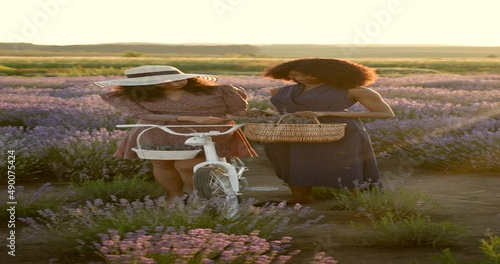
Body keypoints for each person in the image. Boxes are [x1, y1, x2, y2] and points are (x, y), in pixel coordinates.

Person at [95, 65, 257, 202]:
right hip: (159, 131)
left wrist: (254, 114)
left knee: (186, 165)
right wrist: (189, 118)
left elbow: (238, 111)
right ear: (149, 86)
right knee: (162, 164)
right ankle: (175, 195)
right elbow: (144, 116)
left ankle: (201, 197)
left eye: (179, 77)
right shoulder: (131, 97)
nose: (177, 82)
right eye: (167, 81)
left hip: (206, 131)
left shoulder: (217, 91)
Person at [246, 58, 394, 204]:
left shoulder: (354, 90)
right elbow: (282, 112)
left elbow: (385, 113)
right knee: (291, 163)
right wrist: (261, 113)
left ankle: (356, 200)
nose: (299, 78)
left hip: (337, 131)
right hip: (291, 132)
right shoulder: (282, 91)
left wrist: (325, 113)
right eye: (294, 75)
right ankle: (301, 197)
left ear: (326, 73)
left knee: (345, 165)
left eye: (305, 74)